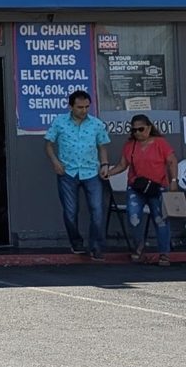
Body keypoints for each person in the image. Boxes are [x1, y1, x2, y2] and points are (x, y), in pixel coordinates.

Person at [44, 89, 111, 260]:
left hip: (91, 171)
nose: (84, 110)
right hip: (68, 171)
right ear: (71, 106)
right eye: (80, 107)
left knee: (97, 210)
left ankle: (96, 246)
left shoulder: (96, 124)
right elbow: (49, 144)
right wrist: (55, 162)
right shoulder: (60, 122)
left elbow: (102, 146)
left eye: (87, 107)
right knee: (70, 211)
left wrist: (104, 164)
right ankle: (76, 242)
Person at [106, 114, 179, 265]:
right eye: (134, 130)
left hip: (158, 186)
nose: (138, 133)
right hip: (136, 187)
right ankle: (138, 248)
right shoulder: (130, 145)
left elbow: (172, 161)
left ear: (149, 128)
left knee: (160, 220)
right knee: (133, 218)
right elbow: (122, 165)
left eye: (141, 129)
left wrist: (173, 181)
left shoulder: (160, 143)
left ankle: (164, 253)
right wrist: (109, 172)